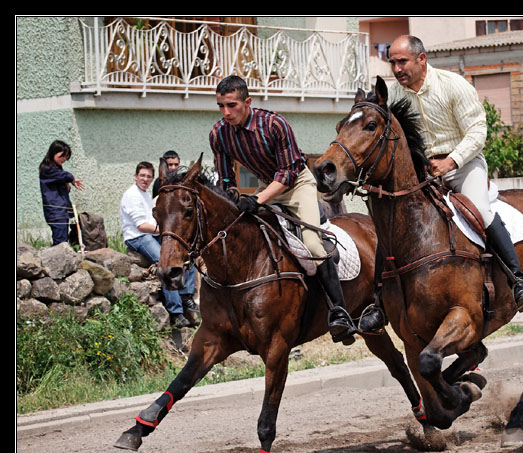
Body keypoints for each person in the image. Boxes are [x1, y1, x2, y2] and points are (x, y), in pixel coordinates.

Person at [358, 35, 523, 333]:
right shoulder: (393, 95)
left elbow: (478, 131)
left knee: (480, 208)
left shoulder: (453, 85)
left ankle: (518, 280)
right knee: (391, 224)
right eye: (392, 62)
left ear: (421, 59)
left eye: (402, 61)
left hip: (464, 165)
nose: (397, 68)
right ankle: (378, 303)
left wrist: (451, 161)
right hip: (423, 174)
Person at [209, 75, 356, 344]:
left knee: (311, 244)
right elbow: (226, 177)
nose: (226, 112)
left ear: (248, 102)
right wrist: (232, 198)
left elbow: (288, 174)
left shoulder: (275, 124)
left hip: (297, 184)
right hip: (267, 187)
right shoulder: (218, 133)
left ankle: (340, 313)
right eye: (221, 106)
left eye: (231, 105)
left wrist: (258, 199)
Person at [121, 161, 198, 328]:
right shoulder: (132, 195)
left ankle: (186, 296)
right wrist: (163, 230)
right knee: (167, 265)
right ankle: (176, 312)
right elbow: (141, 226)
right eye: (142, 175)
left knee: (187, 255)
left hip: (152, 234)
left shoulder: (146, 195)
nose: (145, 179)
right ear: (135, 176)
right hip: (138, 237)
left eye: (149, 176)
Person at [39, 140, 84, 245]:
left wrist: (68, 182)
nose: (64, 159)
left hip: (62, 211)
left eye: (66, 157)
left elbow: (63, 181)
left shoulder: (56, 169)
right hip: (55, 211)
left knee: (63, 239)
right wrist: (71, 178)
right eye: (62, 156)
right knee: (60, 242)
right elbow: (64, 176)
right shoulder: (47, 169)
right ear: (53, 153)